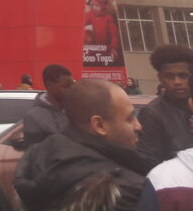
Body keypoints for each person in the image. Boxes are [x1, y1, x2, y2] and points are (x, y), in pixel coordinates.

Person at [14, 78, 152, 210]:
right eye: (129, 118)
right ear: (99, 125)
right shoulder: (124, 190)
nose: (138, 126)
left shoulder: (40, 158)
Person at [138, 44, 193, 166]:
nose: (177, 82)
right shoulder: (152, 114)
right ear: (161, 79)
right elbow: (147, 161)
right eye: (169, 76)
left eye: (183, 76)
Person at [22, 64, 74, 148]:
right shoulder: (33, 117)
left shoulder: (74, 109)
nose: (71, 89)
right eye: (66, 86)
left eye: (72, 85)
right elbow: (34, 153)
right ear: (49, 85)